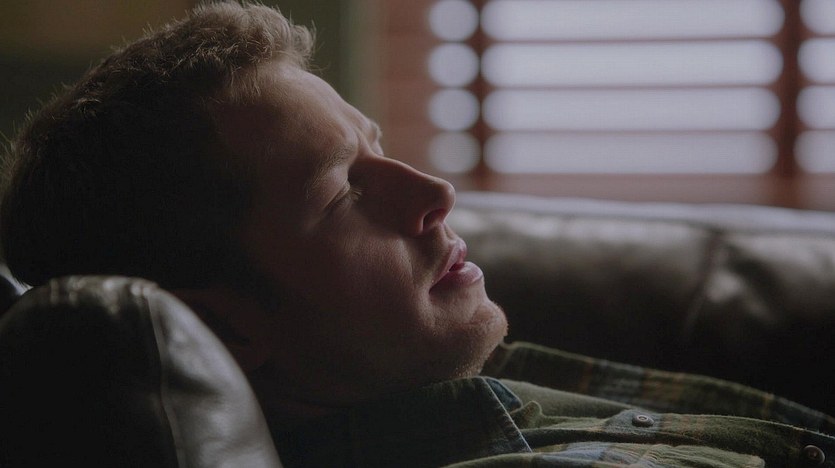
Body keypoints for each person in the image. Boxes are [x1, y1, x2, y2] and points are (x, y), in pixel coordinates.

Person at [1, 2, 833, 466]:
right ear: (227, 325)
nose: (435, 193)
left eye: (378, 146)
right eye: (343, 192)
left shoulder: (451, 384)